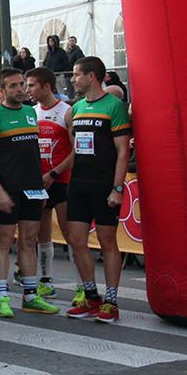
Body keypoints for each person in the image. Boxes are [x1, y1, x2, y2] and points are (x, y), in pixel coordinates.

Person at [0, 70, 62, 318]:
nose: (20, 89)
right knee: (3, 243)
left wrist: (39, 188)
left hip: (32, 188)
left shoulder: (30, 112)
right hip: (8, 189)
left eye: (21, 85)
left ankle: (30, 295)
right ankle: (3, 296)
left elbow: (32, 154)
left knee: (29, 241)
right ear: (1, 91)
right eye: (13, 86)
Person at [64, 56, 132, 325]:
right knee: (77, 240)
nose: (72, 79)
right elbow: (75, 146)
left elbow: (123, 151)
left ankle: (111, 301)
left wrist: (117, 188)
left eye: (76, 74)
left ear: (91, 76)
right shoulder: (77, 108)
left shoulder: (114, 106)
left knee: (107, 242)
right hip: (80, 183)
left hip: (104, 185)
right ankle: (91, 296)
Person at [25, 67, 71, 299]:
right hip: (39, 182)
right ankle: (45, 280)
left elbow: (77, 151)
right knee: (42, 235)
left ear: (46, 86)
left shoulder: (66, 111)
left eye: (32, 85)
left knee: (71, 235)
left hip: (61, 180)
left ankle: (84, 286)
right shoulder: (31, 112)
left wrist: (54, 173)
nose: (28, 90)